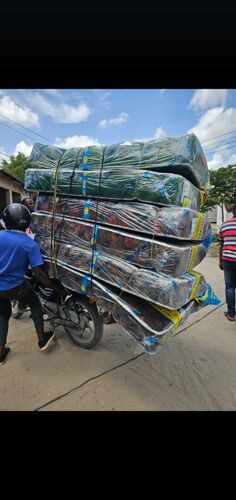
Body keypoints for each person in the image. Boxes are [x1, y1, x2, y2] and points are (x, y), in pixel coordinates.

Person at [0, 203, 67, 365]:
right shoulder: (30, 244)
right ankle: (42, 339)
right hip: (15, 286)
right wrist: (58, 289)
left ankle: (1, 352)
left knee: (2, 315)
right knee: (35, 303)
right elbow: (40, 274)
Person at [219, 202, 236, 321]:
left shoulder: (224, 225)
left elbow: (221, 244)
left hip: (227, 259)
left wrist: (220, 261)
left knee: (230, 286)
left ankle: (231, 314)